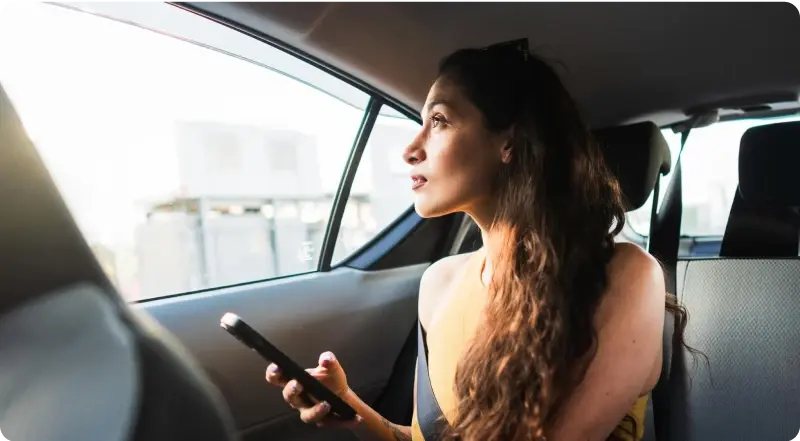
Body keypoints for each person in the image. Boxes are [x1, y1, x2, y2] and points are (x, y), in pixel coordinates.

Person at [266, 38, 691, 441]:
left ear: (509, 142)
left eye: (439, 121)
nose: (410, 149)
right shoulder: (439, 284)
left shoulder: (626, 277)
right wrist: (348, 403)